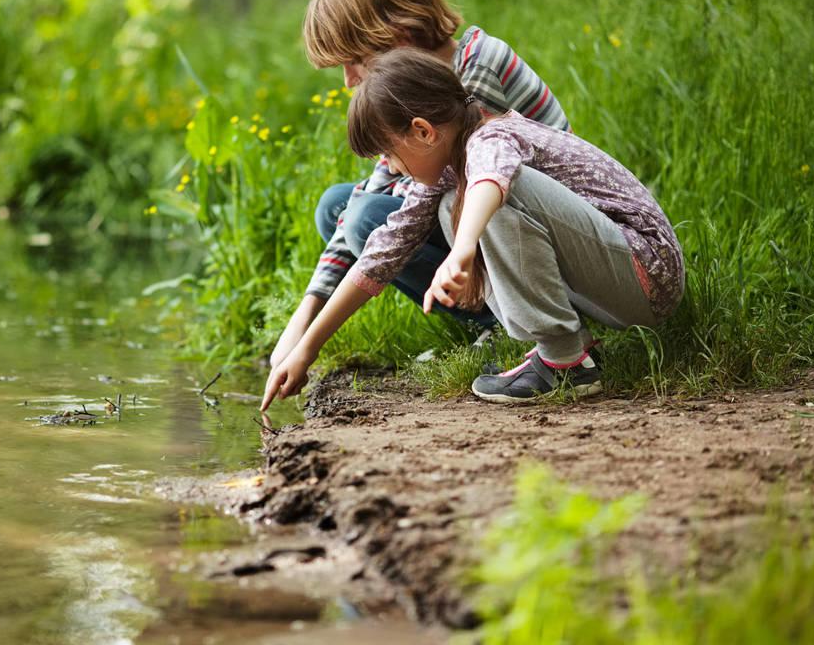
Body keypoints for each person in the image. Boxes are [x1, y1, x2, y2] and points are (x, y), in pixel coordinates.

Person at [261, 48, 684, 408]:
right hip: (609, 280)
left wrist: (462, 251)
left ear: (423, 131)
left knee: (491, 196)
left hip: (646, 274)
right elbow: (380, 255)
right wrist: (307, 348)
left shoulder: (492, 137)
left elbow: (491, 183)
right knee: (450, 205)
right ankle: (572, 351)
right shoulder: (446, 168)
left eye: (388, 154)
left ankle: (565, 361)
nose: (388, 167)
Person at [269, 0, 573, 372]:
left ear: (399, 37)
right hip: (483, 219)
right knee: (338, 207)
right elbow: (374, 189)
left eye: (355, 61)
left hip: (542, 237)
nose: (348, 80)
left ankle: (514, 319)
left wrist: (312, 342)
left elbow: (414, 209)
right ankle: (491, 320)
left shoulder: (474, 71)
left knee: (367, 219)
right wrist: (301, 321)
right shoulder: (410, 90)